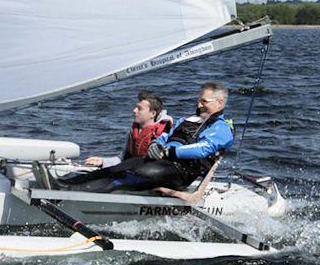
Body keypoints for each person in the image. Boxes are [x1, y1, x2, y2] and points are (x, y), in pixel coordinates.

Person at [57, 82, 233, 193]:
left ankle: (71, 192)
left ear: (219, 103)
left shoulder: (221, 128)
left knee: (131, 175)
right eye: (199, 100)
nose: (198, 105)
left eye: (204, 102)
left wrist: (171, 152)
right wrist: (156, 144)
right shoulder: (185, 120)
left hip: (180, 172)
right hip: (161, 162)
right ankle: (65, 184)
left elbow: (204, 148)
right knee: (116, 168)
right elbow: (166, 136)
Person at [83, 91, 173, 168]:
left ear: (152, 113)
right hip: (135, 168)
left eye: (139, 109)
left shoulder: (165, 132)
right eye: (135, 107)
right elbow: (121, 159)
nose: (134, 110)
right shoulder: (132, 132)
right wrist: (102, 161)